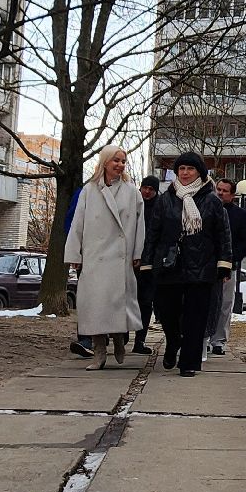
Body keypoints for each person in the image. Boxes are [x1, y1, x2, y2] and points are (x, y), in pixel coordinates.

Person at [141, 151, 232, 376]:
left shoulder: (211, 200)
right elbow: (153, 232)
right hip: (169, 264)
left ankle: (190, 362)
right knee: (167, 311)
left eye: (190, 169)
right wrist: (147, 262)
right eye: (181, 169)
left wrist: (224, 263)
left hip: (201, 265)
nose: (185, 173)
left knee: (195, 315)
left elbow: (223, 233)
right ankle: (173, 341)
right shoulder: (165, 198)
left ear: (199, 172)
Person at [66, 146, 145, 368]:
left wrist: (137, 252)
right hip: (95, 256)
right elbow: (77, 223)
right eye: (116, 161)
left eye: (123, 161)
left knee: (117, 302)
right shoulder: (89, 190)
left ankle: (119, 338)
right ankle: (99, 351)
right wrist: (75, 253)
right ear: (105, 162)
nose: (120, 165)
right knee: (95, 305)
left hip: (121, 256)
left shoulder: (132, 192)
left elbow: (140, 226)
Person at [204, 177, 246, 355]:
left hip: (228, 267)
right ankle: (202, 338)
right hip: (205, 265)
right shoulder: (205, 209)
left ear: (232, 195)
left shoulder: (240, 215)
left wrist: (233, 258)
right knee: (205, 303)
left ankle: (218, 341)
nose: (220, 193)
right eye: (218, 189)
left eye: (225, 191)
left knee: (224, 304)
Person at [64, 181, 94, 359]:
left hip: (112, 256)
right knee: (86, 296)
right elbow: (72, 222)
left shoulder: (123, 191)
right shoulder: (84, 192)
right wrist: (76, 252)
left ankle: (103, 334)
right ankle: (86, 338)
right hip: (88, 254)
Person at [131, 175, 161, 354]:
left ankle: (139, 340)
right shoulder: (134, 205)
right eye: (145, 188)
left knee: (145, 302)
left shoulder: (159, 207)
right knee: (128, 299)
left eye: (151, 189)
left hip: (150, 264)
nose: (147, 192)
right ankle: (123, 334)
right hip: (131, 260)